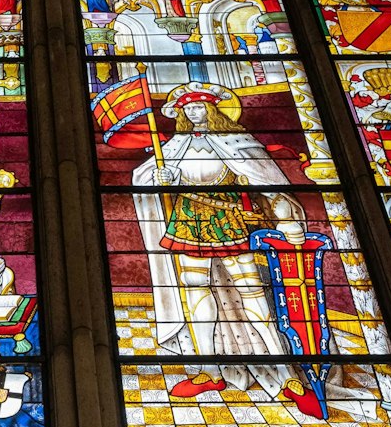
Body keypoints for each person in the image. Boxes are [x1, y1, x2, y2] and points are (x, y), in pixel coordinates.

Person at [130, 83, 305, 398]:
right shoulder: (175, 145)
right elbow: (144, 176)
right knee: (196, 295)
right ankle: (209, 371)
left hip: (228, 219)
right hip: (188, 220)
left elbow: (264, 177)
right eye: (188, 108)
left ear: (213, 108)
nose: (194, 112)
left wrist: (279, 204)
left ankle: (286, 373)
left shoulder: (237, 141)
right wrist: (160, 178)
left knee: (252, 295)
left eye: (199, 106)